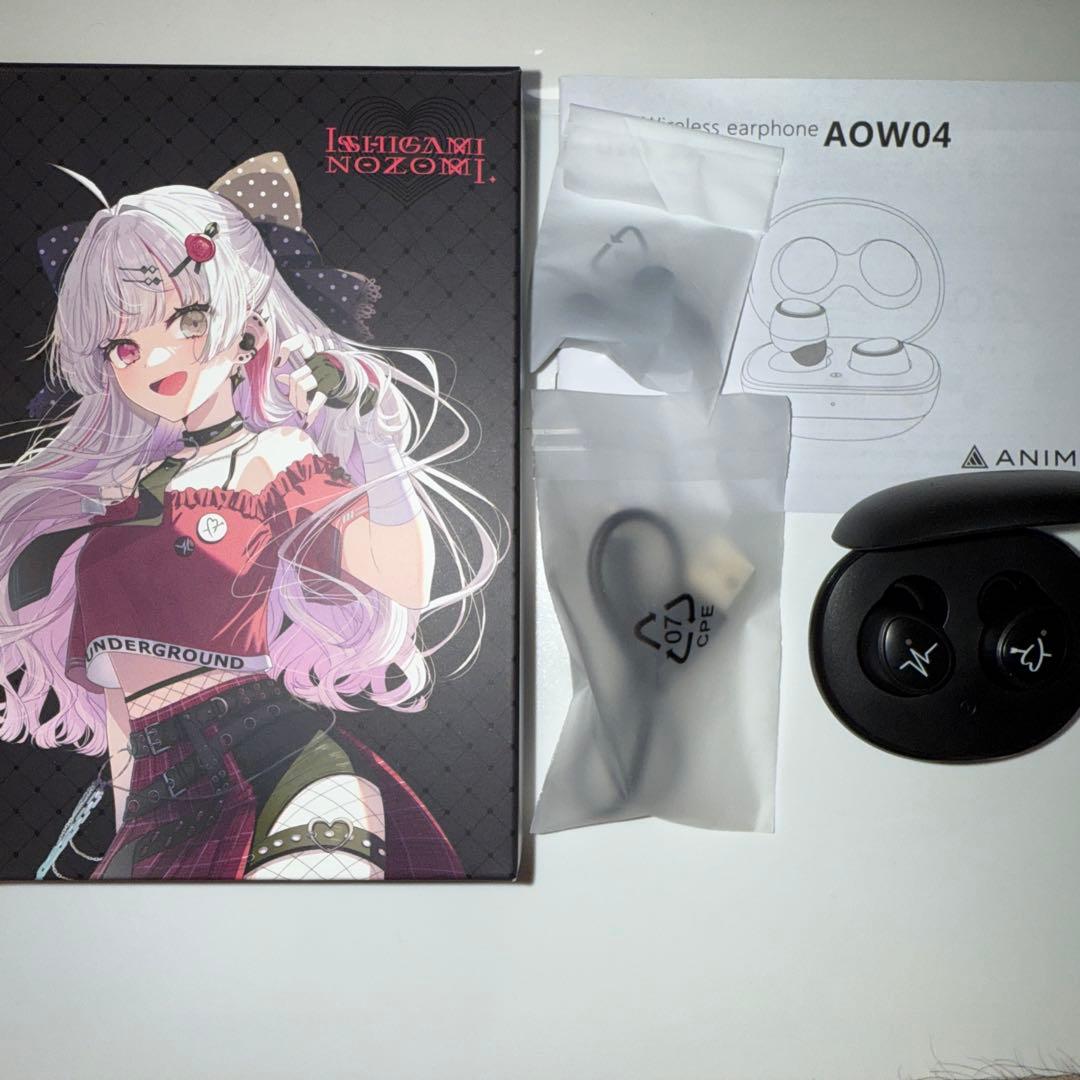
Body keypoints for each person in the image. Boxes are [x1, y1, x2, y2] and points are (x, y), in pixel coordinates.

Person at [0, 153, 502, 880]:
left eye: (188, 319)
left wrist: (378, 449)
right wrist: (127, 832)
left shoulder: (272, 458)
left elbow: (403, 577)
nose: (155, 358)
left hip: (283, 772)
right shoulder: (110, 498)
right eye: (125, 343)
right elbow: (121, 715)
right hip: (157, 805)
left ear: (248, 336)